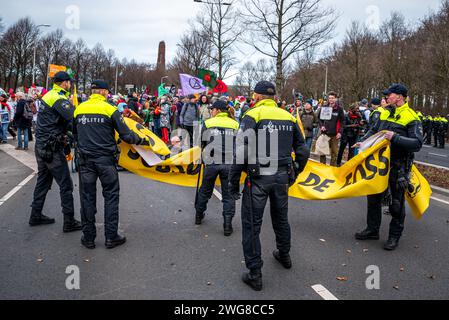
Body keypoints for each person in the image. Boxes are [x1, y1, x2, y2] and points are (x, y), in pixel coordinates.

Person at [229, 81, 310, 291]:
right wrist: (296, 171)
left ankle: (255, 274)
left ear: (256, 96)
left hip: (258, 178)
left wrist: (232, 180)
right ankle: (285, 255)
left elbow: (242, 149)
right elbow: (302, 149)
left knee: (252, 225)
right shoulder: (289, 116)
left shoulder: (252, 114)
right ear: (273, 97)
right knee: (281, 218)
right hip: (282, 175)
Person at [74, 80, 150, 249]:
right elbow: (127, 136)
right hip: (106, 161)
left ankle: (88, 238)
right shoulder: (110, 109)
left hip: (85, 161)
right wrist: (144, 141)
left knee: (87, 198)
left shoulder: (79, 109)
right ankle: (111, 237)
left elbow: (74, 133)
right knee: (111, 197)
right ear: (103, 91)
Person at [355, 83, 423, 251]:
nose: (386, 97)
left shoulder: (411, 116)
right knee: (373, 197)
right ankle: (372, 230)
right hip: (379, 165)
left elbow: (417, 144)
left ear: (399, 97)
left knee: (396, 204)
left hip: (398, 167)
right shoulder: (385, 112)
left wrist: (395, 138)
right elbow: (374, 131)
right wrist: (364, 141)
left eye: (389, 95)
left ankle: (394, 236)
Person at [29, 71, 82, 232]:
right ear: (63, 83)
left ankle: (35, 215)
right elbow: (73, 118)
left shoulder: (50, 95)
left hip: (42, 146)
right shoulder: (57, 97)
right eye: (68, 82)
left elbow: (59, 122)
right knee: (66, 185)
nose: (70, 84)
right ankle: (69, 221)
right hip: (52, 148)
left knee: (43, 182)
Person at [195, 100, 239, 236]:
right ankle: (227, 225)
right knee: (229, 195)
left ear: (218, 110)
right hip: (229, 164)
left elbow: (200, 142)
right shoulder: (235, 124)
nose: (211, 111)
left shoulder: (208, 123)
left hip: (211, 162)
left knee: (204, 191)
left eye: (212, 109)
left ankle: (198, 216)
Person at [317, 92, 345, 166]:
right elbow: (319, 119)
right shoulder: (324, 107)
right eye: (329, 98)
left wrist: (340, 132)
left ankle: (332, 169)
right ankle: (322, 167)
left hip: (334, 135)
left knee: (334, 153)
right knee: (322, 152)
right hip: (325, 134)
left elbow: (342, 122)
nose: (331, 100)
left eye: (332, 98)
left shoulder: (339, 109)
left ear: (335, 99)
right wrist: (321, 126)